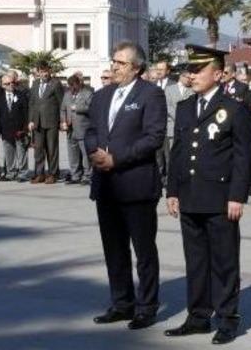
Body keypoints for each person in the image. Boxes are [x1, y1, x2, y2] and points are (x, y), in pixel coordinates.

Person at [164, 45, 251, 344]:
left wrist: (237, 196)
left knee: (224, 262)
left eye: (199, 70)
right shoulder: (186, 107)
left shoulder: (234, 107)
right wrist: (172, 190)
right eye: (191, 69)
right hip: (189, 195)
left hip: (220, 197)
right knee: (196, 260)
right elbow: (178, 150)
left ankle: (228, 318)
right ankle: (198, 315)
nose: (192, 75)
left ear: (218, 73)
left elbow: (243, 156)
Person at [85, 41, 166, 330]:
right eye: (114, 62)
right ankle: (122, 303)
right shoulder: (102, 95)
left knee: (143, 251)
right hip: (106, 185)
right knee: (114, 249)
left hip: (136, 184)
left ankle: (146, 306)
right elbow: (91, 130)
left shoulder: (151, 94)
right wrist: (95, 153)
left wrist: (116, 159)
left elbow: (154, 137)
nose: (114, 67)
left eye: (120, 63)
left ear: (136, 67)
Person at [28, 64, 64, 184]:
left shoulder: (55, 84)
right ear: (38, 72)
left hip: (51, 122)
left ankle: (53, 174)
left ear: (50, 71)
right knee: (38, 149)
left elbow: (61, 103)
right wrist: (31, 120)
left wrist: (62, 121)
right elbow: (32, 103)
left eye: (46, 71)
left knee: (52, 149)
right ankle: (40, 174)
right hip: (37, 122)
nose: (44, 74)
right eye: (42, 71)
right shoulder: (35, 83)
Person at [61, 74, 94, 184]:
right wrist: (63, 121)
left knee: (85, 154)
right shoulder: (67, 94)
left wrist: (78, 108)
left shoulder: (88, 93)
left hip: (83, 128)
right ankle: (75, 175)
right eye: (69, 86)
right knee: (73, 153)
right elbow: (63, 110)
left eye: (73, 85)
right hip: (70, 129)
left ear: (79, 83)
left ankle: (87, 175)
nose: (71, 88)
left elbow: (91, 108)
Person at [0, 74, 29, 181]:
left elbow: (26, 113)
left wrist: (25, 128)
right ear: (3, 85)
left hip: (19, 129)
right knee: (8, 153)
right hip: (5, 130)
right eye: (7, 84)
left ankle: (23, 173)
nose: (11, 85)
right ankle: (10, 173)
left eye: (12, 83)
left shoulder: (21, 95)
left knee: (21, 152)